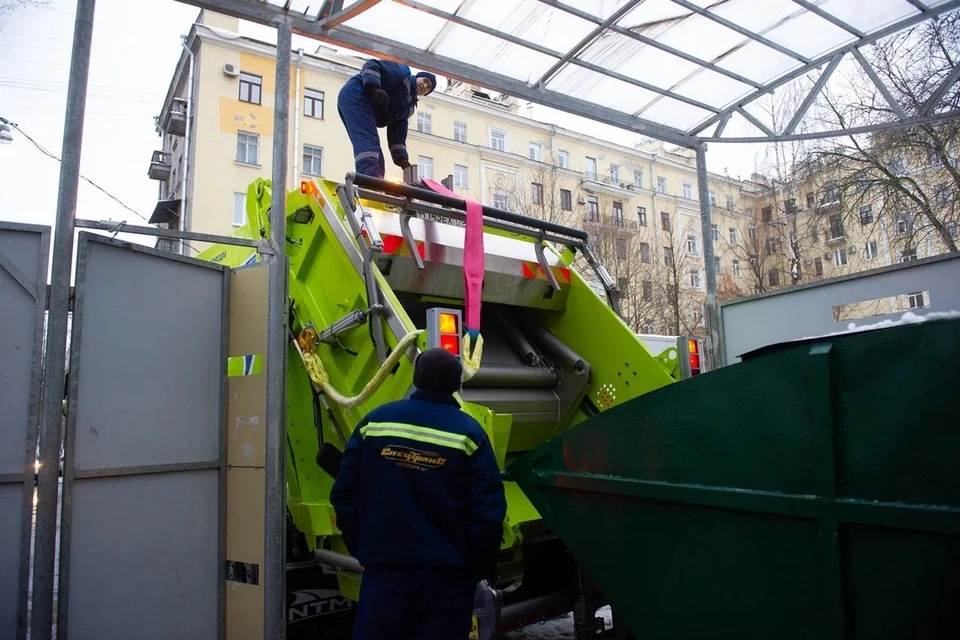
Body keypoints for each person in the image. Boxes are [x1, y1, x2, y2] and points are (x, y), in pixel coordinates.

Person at [330, 347, 507, 639]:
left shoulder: (375, 423)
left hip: (384, 576)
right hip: (446, 582)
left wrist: (363, 549)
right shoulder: (469, 434)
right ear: (456, 384)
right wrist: (477, 568)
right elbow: (487, 515)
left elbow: (345, 495)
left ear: (416, 378)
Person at [337, 58, 437, 179]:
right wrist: (374, 88)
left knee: (377, 157)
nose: (425, 85)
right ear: (417, 77)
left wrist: (402, 159)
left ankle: (376, 184)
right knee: (369, 143)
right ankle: (368, 183)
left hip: (364, 106)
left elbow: (397, 133)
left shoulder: (408, 108)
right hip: (357, 94)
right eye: (425, 80)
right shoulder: (402, 73)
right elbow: (372, 65)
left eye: (428, 87)